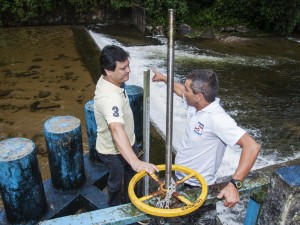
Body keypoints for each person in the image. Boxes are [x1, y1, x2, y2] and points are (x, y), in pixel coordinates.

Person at [152, 68, 260, 209]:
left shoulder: (217, 119)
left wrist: (234, 184)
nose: (184, 92)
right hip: (180, 180)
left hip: (198, 188)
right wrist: (164, 78)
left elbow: (252, 147)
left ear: (199, 96)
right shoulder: (196, 105)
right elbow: (179, 90)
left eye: (187, 90)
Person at [93, 45, 158, 208]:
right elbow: (116, 128)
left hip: (129, 142)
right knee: (115, 182)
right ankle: (114, 208)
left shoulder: (113, 80)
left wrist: (133, 159)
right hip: (112, 151)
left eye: (128, 65)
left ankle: (131, 205)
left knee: (131, 177)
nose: (129, 70)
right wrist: (134, 160)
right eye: (123, 68)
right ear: (108, 70)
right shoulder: (109, 98)